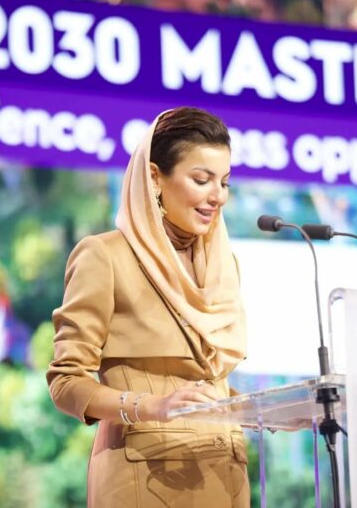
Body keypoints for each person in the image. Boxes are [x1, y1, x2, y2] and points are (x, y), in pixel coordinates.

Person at [47, 107, 249, 507]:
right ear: (155, 177)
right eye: (202, 180)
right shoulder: (104, 256)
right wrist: (151, 406)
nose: (217, 196)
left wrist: (271, 410)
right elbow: (65, 383)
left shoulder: (223, 266)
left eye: (224, 182)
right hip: (147, 478)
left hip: (224, 476)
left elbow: (204, 383)